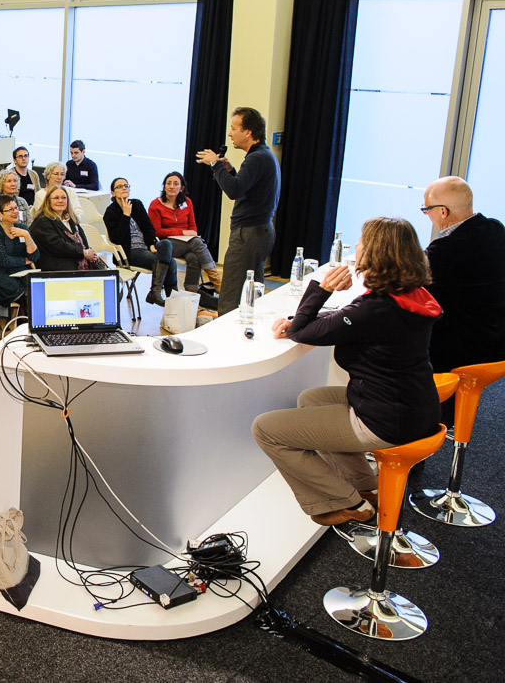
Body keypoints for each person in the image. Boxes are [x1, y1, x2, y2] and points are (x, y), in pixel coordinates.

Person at [254, 217, 441, 526]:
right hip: (416, 408)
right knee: (312, 399)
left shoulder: (374, 309)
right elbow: (344, 320)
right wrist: (310, 316)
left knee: (266, 429)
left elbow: (302, 331)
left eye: (363, 242)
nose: (357, 247)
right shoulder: (409, 295)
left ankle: (347, 501)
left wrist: (321, 287)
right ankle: (367, 488)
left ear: (377, 253)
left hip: (386, 420)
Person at [197, 106, 280, 315]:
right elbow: (243, 185)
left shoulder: (257, 158)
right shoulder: (262, 155)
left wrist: (215, 163)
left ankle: (223, 342)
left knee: (231, 294)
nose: (229, 133)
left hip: (249, 234)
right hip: (260, 231)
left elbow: (233, 190)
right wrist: (230, 170)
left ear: (248, 132)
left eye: (234, 128)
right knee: (251, 291)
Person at [420, 176, 505, 373]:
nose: (426, 215)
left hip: (460, 351)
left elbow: (413, 285)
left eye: (426, 210)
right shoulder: (496, 229)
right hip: (498, 340)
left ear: (443, 211)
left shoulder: (443, 251)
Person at [104, 177, 177, 306]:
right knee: (171, 262)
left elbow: (148, 227)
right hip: (130, 252)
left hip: (146, 248)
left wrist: (151, 244)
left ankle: (156, 292)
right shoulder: (111, 212)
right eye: (119, 186)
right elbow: (117, 239)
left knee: (166, 243)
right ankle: (171, 300)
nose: (124, 188)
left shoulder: (136, 204)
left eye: (126, 185)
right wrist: (125, 215)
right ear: (113, 193)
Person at [147, 171, 221, 293]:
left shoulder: (187, 202)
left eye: (176, 184)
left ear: (181, 188)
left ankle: (191, 294)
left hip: (185, 243)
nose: (171, 186)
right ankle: (217, 281)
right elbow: (157, 231)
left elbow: (193, 228)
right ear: (164, 187)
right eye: (168, 183)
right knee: (196, 243)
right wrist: (182, 232)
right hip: (166, 244)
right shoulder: (155, 205)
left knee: (194, 258)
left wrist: (187, 234)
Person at [0, 196, 39, 308]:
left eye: (16, 208)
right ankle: (23, 318)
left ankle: (29, 319)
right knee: (24, 285)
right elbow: (4, 261)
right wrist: (25, 261)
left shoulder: (22, 228)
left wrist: (27, 236)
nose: (15, 212)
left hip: (19, 271)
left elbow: (35, 256)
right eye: (10, 209)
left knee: (36, 282)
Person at [31, 185, 99, 272]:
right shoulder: (42, 222)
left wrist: (90, 254)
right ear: (48, 201)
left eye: (64, 198)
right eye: (56, 198)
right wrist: (83, 253)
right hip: (57, 266)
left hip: (76, 261)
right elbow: (58, 246)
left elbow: (83, 242)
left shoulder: (71, 220)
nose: (60, 201)